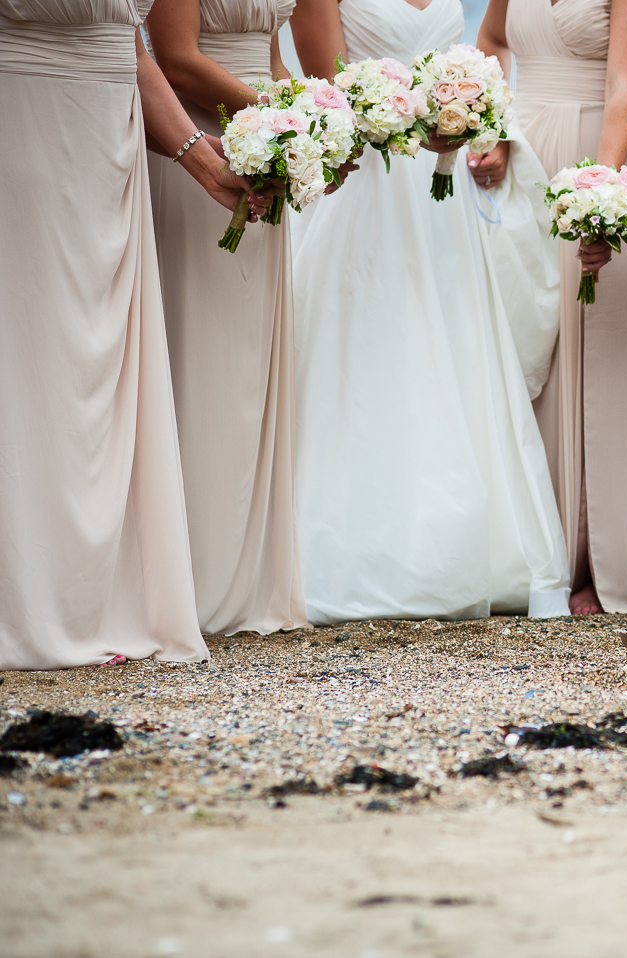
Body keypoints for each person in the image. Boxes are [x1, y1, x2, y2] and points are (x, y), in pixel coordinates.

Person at [287, 0, 571, 623]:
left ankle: (464, 545)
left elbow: (476, 63)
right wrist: (413, 127)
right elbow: (327, 97)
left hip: (442, 189)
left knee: (453, 344)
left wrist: (486, 129)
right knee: (372, 347)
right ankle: (364, 553)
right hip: (362, 183)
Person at [0, 0, 258, 669]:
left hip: (111, 153)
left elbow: (128, 47)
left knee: (98, 371)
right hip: (20, 129)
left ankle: (92, 596)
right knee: (26, 361)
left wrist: (201, 159)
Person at [479, 0, 627, 615]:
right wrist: (493, 129)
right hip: (523, 161)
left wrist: (598, 196)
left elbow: (623, 91)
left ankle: (603, 561)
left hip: (602, 152)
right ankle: (538, 550)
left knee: (609, 361)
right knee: (531, 346)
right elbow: (490, 43)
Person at [146, 0, 308, 637]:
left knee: (246, 364)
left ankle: (243, 577)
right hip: (201, 142)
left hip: (265, 147)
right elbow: (178, 59)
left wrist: (319, 121)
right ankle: (187, 578)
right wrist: (281, 120)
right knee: (201, 355)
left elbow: (267, 50)